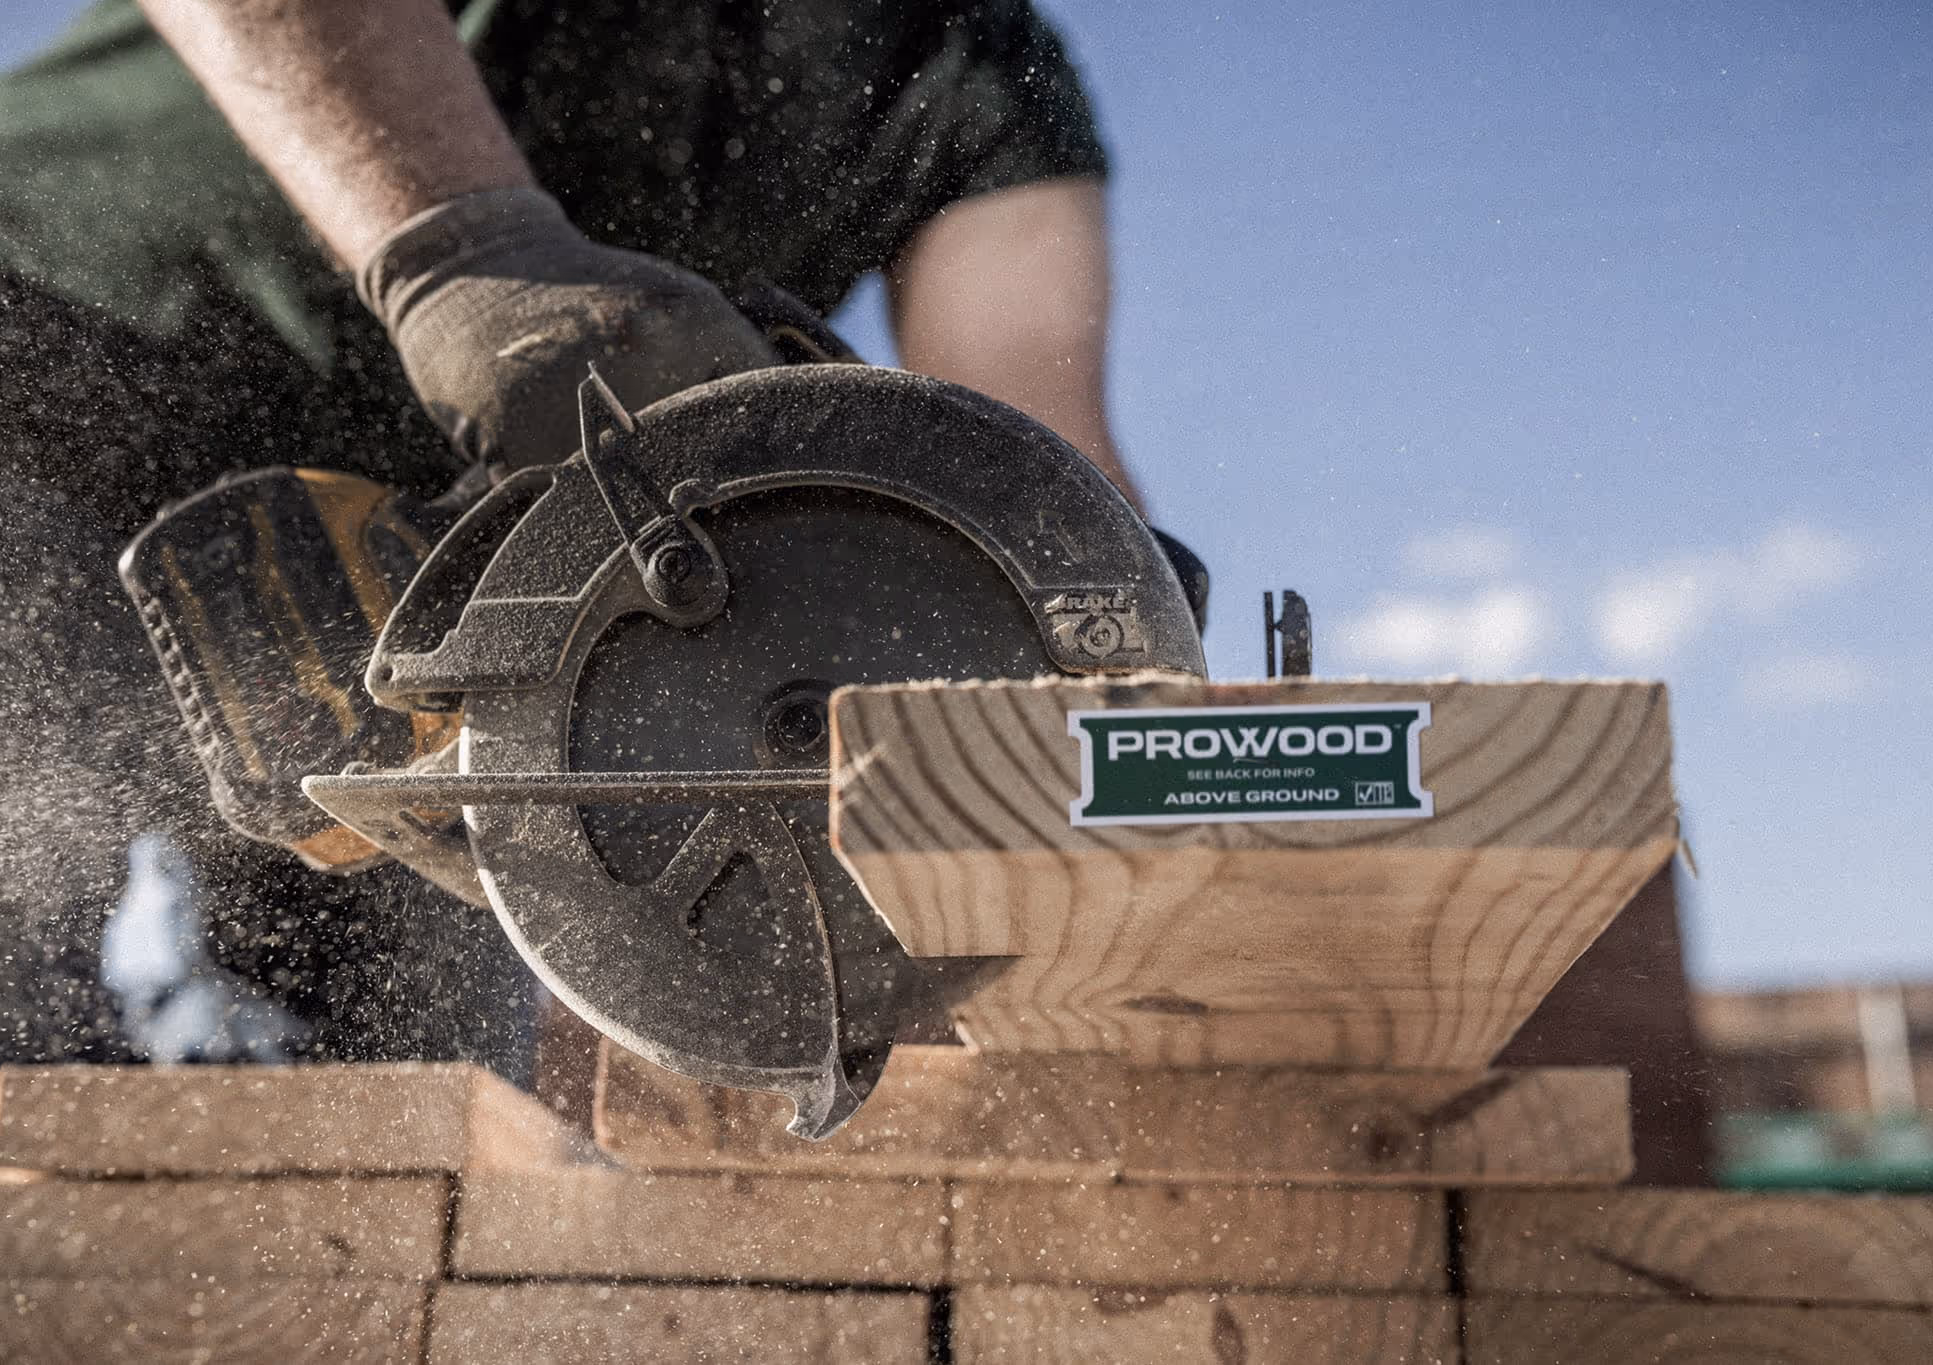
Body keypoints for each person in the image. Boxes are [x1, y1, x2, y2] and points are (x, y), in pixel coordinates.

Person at [0, 0, 1158, 1073]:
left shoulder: (968, 59)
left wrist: (1093, 817)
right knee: (28, 1029)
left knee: (422, 1112)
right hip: (49, 378)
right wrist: (465, 254)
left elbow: (1033, 482)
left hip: (426, 618)